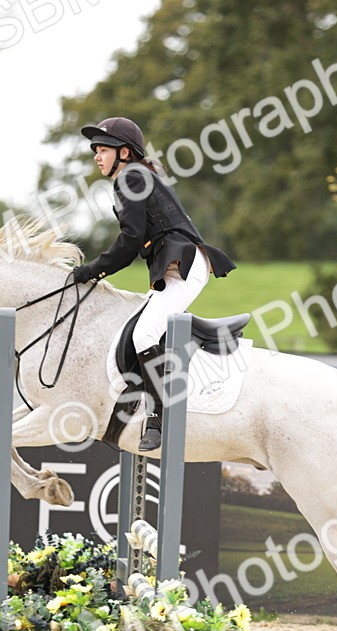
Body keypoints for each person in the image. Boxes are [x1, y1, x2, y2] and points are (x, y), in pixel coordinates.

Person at [72, 117, 236, 451]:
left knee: (144, 334)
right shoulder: (138, 176)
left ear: (124, 152)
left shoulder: (131, 177)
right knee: (135, 327)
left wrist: (91, 271)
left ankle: (158, 418)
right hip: (176, 265)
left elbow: (130, 241)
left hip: (183, 266)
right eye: (95, 150)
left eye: (102, 149)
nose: (96, 157)